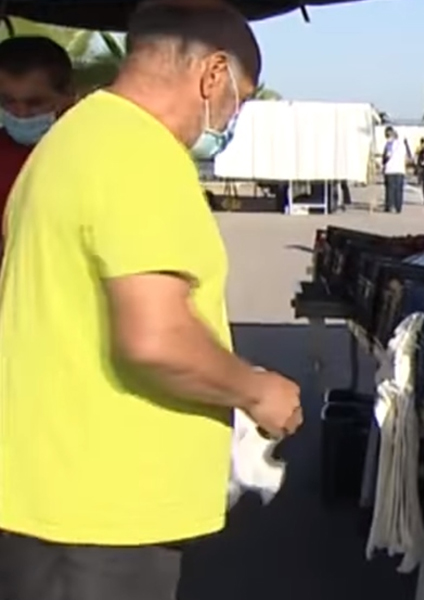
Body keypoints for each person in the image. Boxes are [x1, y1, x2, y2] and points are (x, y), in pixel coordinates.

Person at [0, 2, 304, 598]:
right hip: (99, 516)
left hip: (54, 500)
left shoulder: (75, 140)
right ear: (212, 75)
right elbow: (155, 338)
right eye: (238, 99)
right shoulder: (138, 156)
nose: (228, 117)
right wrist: (257, 390)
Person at [0, 36, 74, 241]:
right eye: (8, 101)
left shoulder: (93, 156)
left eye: (35, 103)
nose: (21, 113)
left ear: (68, 96)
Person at [382, 126, 411, 213]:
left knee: (390, 189)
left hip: (390, 169)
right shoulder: (403, 145)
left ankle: (390, 206)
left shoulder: (389, 143)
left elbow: (387, 155)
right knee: (399, 190)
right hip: (400, 170)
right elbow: (409, 156)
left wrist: (383, 163)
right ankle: (398, 207)